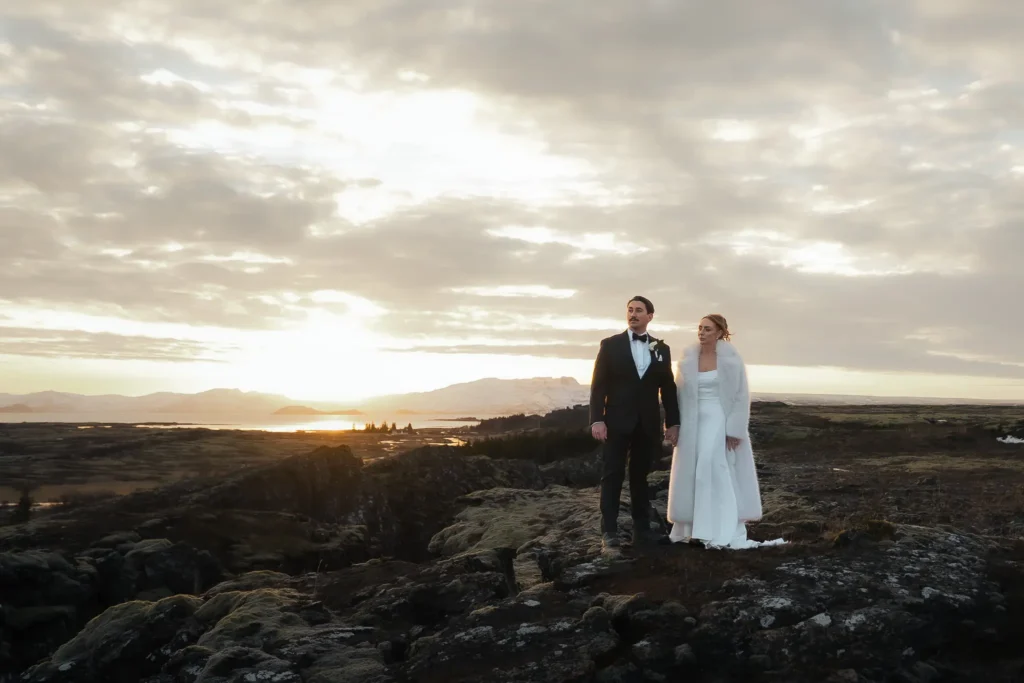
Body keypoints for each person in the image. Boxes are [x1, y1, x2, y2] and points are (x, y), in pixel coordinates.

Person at [666, 314, 785, 549]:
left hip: (719, 418)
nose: (701, 333)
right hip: (693, 421)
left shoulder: (731, 359)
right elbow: (679, 395)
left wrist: (734, 430)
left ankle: (719, 528)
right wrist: (675, 424)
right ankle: (692, 529)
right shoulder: (688, 358)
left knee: (713, 466)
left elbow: (741, 395)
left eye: (707, 329)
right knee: (693, 471)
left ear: (720, 332)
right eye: (699, 328)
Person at [590, 296, 680, 550]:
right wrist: (597, 419)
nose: (633, 314)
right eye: (630, 310)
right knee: (612, 475)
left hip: (647, 423)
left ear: (650, 316)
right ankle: (609, 531)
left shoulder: (661, 349)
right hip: (615, 422)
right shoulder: (610, 345)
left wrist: (673, 423)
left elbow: (669, 389)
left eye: (639, 310)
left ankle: (642, 530)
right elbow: (599, 387)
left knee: (640, 477)